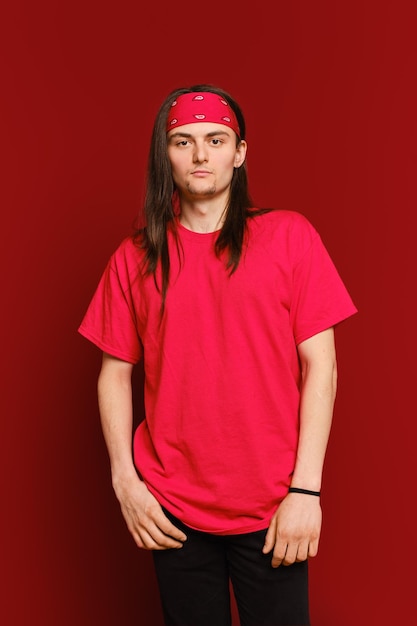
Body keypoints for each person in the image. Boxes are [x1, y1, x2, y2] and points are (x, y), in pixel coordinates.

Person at [78, 83, 357, 626]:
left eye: (215, 139)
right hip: (173, 509)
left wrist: (306, 490)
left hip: (275, 504)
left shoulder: (289, 238)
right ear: (166, 154)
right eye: (182, 141)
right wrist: (125, 482)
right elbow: (113, 375)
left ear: (240, 152)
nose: (201, 154)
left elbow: (320, 367)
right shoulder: (134, 259)